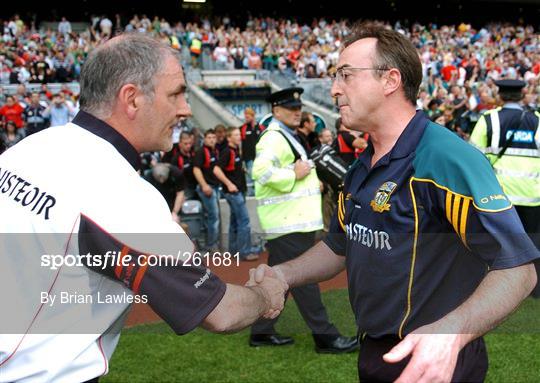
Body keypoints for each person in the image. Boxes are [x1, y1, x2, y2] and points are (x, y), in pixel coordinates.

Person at [248, 23, 539, 382]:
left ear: (390, 81)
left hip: (435, 360)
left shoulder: (445, 160)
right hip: (374, 351)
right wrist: (283, 274)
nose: (335, 89)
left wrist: (451, 333)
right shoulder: (361, 167)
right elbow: (341, 245)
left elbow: (518, 269)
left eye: (346, 75)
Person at [0, 33, 287, 383]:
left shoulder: (30, 147)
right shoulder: (120, 190)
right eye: (176, 93)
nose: (185, 109)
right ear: (132, 99)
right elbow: (220, 312)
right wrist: (266, 294)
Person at [249, 87, 358, 353]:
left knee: (279, 279)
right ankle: (326, 337)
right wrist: (294, 175)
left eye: (299, 108)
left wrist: (309, 177)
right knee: (305, 280)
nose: (297, 112)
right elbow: (261, 173)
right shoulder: (274, 137)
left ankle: (261, 333)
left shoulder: (286, 135)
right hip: (288, 222)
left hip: (291, 221)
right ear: (276, 110)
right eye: (291, 108)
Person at [470, 79, 540, 297]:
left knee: (497, 244)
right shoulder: (537, 121)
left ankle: (495, 289)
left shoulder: (488, 119)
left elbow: (474, 157)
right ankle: (534, 289)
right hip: (532, 195)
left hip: (498, 196)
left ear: (499, 96)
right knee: (532, 243)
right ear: (523, 95)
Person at [214, 127, 260, 261]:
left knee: (235, 222)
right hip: (234, 193)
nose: (239, 136)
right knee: (244, 221)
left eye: (239, 134)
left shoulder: (235, 151)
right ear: (229, 138)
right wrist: (229, 184)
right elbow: (216, 170)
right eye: (236, 135)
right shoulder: (228, 151)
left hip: (238, 191)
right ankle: (244, 252)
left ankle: (234, 251)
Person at [193, 129, 221, 252]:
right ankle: (211, 245)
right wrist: (204, 185)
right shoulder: (201, 152)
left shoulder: (214, 151)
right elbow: (196, 169)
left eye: (213, 137)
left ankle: (212, 244)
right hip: (207, 188)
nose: (211, 140)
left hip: (214, 187)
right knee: (213, 217)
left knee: (213, 217)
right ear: (204, 139)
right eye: (209, 137)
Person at [162, 131, 197, 200]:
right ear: (180, 143)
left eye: (190, 143)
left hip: (193, 185)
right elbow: (164, 164)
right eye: (186, 143)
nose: (188, 146)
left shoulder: (193, 152)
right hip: (182, 186)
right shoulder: (173, 151)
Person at [240, 107, 263, 196]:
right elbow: (240, 145)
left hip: (259, 158)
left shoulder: (260, 128)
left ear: (253, 116)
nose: (246, 118)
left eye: (248, 116)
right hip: (248, 159)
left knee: (259, 178)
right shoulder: (243, 128)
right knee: (250, 179)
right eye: (245, 116)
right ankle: (250, 196)